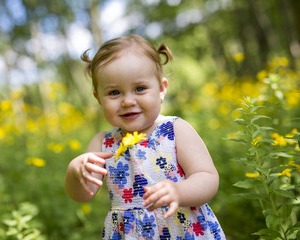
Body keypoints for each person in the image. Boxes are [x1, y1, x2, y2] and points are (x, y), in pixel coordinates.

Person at [64, 34, 226, 239]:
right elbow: (82, 195)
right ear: (98, 98)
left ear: (161, 89)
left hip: (182, 228)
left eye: (139, 89)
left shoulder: (175, 130)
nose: (128, 101)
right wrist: (74, 172)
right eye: (114, 92)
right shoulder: (102, 143)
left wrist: (179, 191)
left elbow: (208, 178)